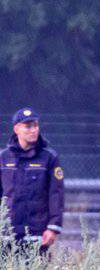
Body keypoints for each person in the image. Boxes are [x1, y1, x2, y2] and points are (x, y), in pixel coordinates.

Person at [0, 108, 65, 255]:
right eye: (28, 126)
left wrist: (53, 227)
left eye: (35, 125)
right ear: (16, 129)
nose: (33, 130)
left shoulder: (49, 158)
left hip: (37, 234)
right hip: (7, 233)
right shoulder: (3, 158)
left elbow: (56, 195)